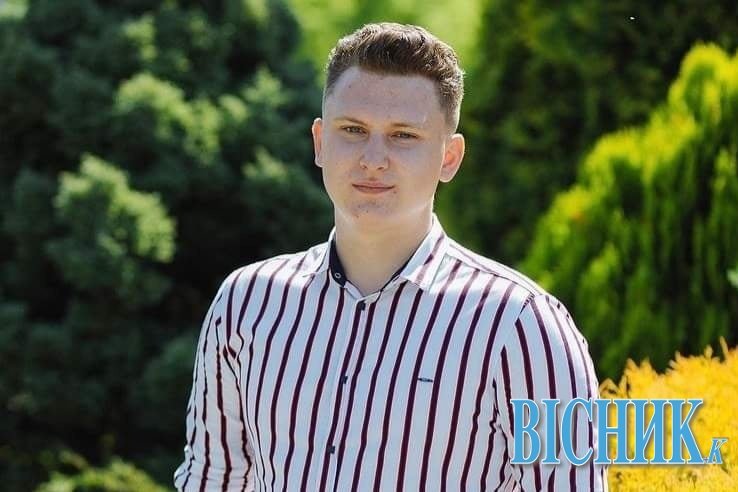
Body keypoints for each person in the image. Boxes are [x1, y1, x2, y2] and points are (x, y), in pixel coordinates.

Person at [174, 22, 607, 492]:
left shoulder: (523, 326)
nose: (373, 158)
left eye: (403, 135)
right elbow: (212, 479)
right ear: (320, 142)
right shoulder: (246, 304)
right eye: (353, 130)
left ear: (449, 157)